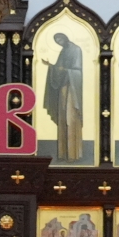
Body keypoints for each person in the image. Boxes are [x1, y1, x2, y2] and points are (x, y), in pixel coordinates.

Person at [41, 30, 86, 162]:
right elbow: (59, 68)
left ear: (65, 38)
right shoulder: (64, 51)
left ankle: (73, 154)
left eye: (60, 40)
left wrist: (65, 70)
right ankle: (63, 153)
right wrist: (51, 66)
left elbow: (77, 70)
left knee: (71, 118)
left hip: (72, 88)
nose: (59, 42)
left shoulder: (76, 49)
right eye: (57, 41)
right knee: (62, 119)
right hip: (63, 87)